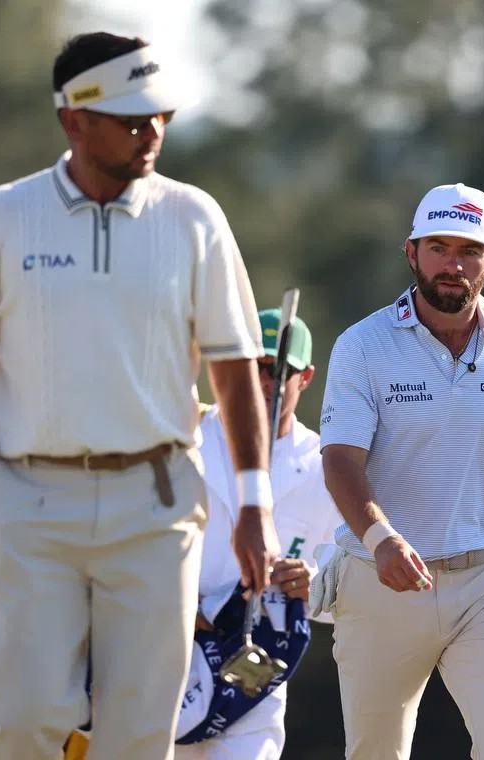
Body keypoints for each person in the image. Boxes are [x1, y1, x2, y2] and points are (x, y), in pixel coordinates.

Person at [0, 31, 281, 760]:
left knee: (140, 730)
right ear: (72, 120)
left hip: (157, 503)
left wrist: (253, 501)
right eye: (128, 118)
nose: (149, 132)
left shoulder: (193, 219)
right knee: (23, 721)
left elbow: (236, 365)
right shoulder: (1, 218)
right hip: (33, 500)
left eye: (158, 117)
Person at [316, 183, 484, 760]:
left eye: (468, 250)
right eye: (437, 246)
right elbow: (340, 460)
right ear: (411, 252)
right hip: (380, 581)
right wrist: (381, 540)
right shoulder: (363, 345)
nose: (452, 264)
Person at [63, 309, 343, 760]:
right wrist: (168, 600)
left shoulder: (320, 470)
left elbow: (350, 583)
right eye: (253, 367)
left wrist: (314, 584)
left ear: (305, 377)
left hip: (252, 678)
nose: (264, 382)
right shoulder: (184, 439)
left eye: (278, 371)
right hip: (157, 649)